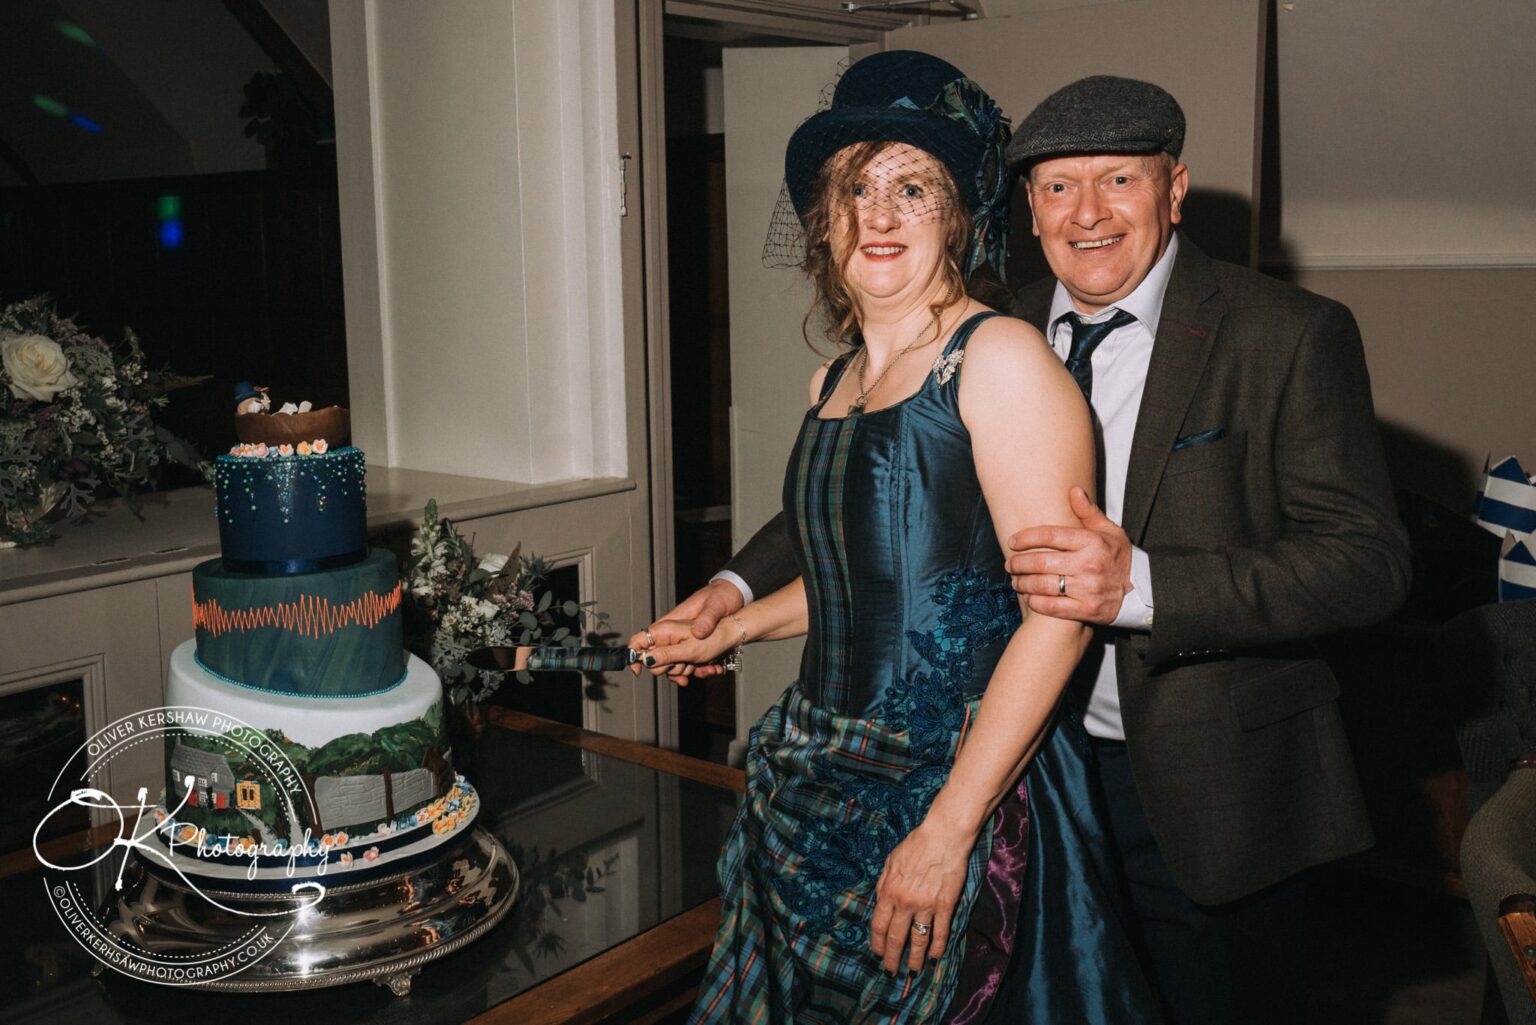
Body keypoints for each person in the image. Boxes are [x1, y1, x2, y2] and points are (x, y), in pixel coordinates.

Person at [665, 74, 1412, 1025]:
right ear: (1023, 206)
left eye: (1119, 182)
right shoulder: (993, 323)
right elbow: (890, 528)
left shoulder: (1286, 333)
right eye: (1058, 186)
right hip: (1024, 754)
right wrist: (732, 594)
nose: (1087, 212)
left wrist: (1140, 585)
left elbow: (1369, 560)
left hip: (1201, 778)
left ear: (1174, 190)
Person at [633, 51, 1158, 1024]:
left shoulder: (999, 357)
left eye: (912, 188)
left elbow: (1060, 616)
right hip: (814, 781)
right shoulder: (830, 384)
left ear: (956, 216)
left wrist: (948, 831)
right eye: (856, 190)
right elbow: (875, 586)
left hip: (956, 784)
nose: (878, 216)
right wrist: (731, 622)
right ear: (824, 220)